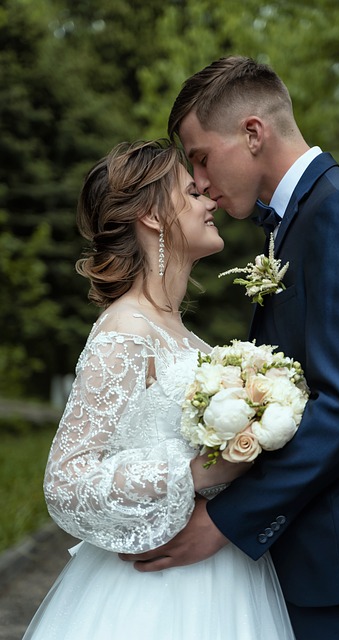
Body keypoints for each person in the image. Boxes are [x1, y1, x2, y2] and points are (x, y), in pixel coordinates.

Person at [119, 57, 339, 639]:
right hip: (311, 551)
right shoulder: (298, 220)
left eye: (201, 157)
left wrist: (226, 519)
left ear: (253, 133)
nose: (201, 181)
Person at [22, 139, 296, 639]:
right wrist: (193, 470)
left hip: (226, 573)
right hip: (155, 598)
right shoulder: (126, 330)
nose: (210, 201)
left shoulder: (188, 339)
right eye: (192, 192)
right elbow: (65, 482)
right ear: (151, 216)